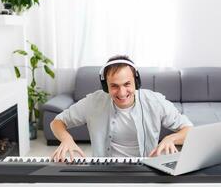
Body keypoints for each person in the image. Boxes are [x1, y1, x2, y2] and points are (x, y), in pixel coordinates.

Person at [50, 55, 193, 162]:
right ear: (106, 86)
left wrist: (171, 138)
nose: (122, 92)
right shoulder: (93, 102)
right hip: (105, 170)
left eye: (127, 84)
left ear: (136, 82)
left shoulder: (155, 102)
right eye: (114, 86)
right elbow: (57, 122)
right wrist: (66, 139)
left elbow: (189, 129)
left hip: (146, 169)